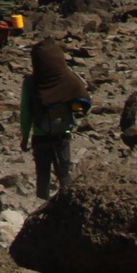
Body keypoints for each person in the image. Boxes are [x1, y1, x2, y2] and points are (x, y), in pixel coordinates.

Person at [21, 39, 91, 198]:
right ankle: (69, 201)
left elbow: (25, 112)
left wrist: (24, 137)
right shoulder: (69, 79)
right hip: (63, 133)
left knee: (42, 175)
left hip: (40, 134)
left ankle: (41, 203)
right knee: (64, 172)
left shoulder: (30, 83)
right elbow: (83, 103)